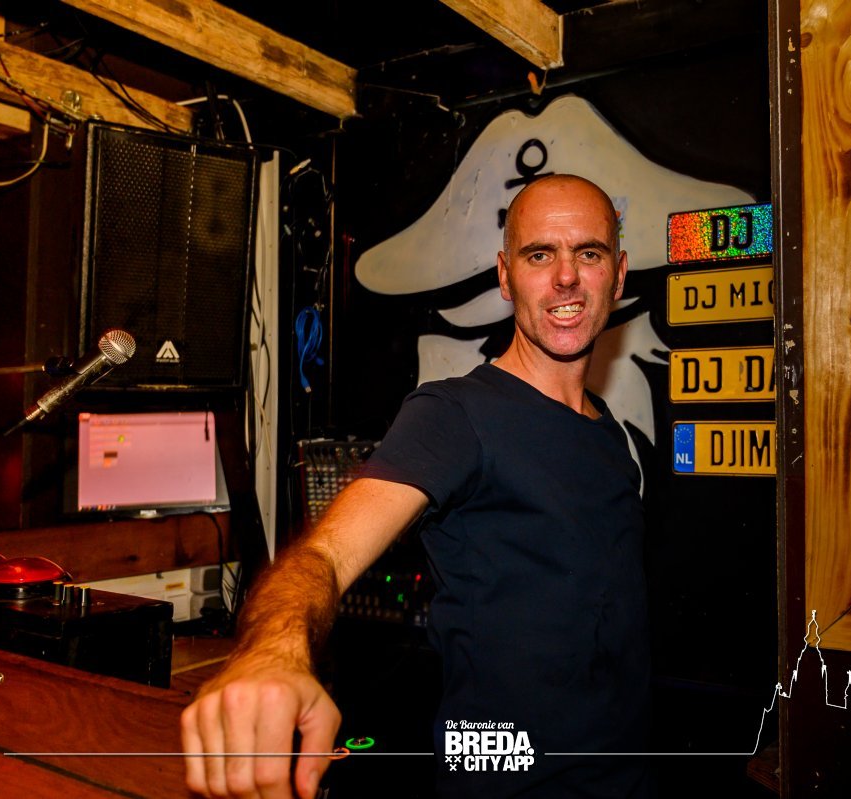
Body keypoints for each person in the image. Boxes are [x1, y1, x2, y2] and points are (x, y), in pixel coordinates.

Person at [181, 174, 652, 798]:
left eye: (587, 253)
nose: (566, 277)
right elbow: (325, 556)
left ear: (617, 275)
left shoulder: (607, 432)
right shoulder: (455, 414)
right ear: (506, 276)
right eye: (539, 255)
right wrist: (273, 652)